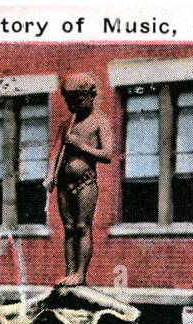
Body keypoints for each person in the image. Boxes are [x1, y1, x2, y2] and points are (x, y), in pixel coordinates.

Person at [43, 73, 113, 287]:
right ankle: (70, 271)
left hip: (86, 182)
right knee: (69, 228)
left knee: (82, 226)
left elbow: (107, 154)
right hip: (64, 184)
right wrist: (50, 175)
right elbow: (55, 152)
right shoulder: (67, 125)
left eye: (78, 100)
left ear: (90, 96)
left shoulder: (100, 122)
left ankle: (81, 275)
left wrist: (80, 145)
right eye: (69, 101)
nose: (73, 106)